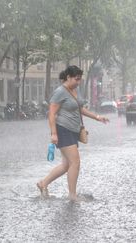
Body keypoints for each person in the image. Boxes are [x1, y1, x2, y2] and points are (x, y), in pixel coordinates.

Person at [36, 65, 109, 201]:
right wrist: (53, 133)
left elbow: (80, 109)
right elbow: (51, 114)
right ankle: (72, 195)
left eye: (80, 79)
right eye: (76, 79)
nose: (78, 82)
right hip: (63, 130)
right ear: (68, 77)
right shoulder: (60, 92)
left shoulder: (75, 90)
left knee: (66, 165)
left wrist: (98, 117)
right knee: (75, 162)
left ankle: (43, 183)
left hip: (73, 130)